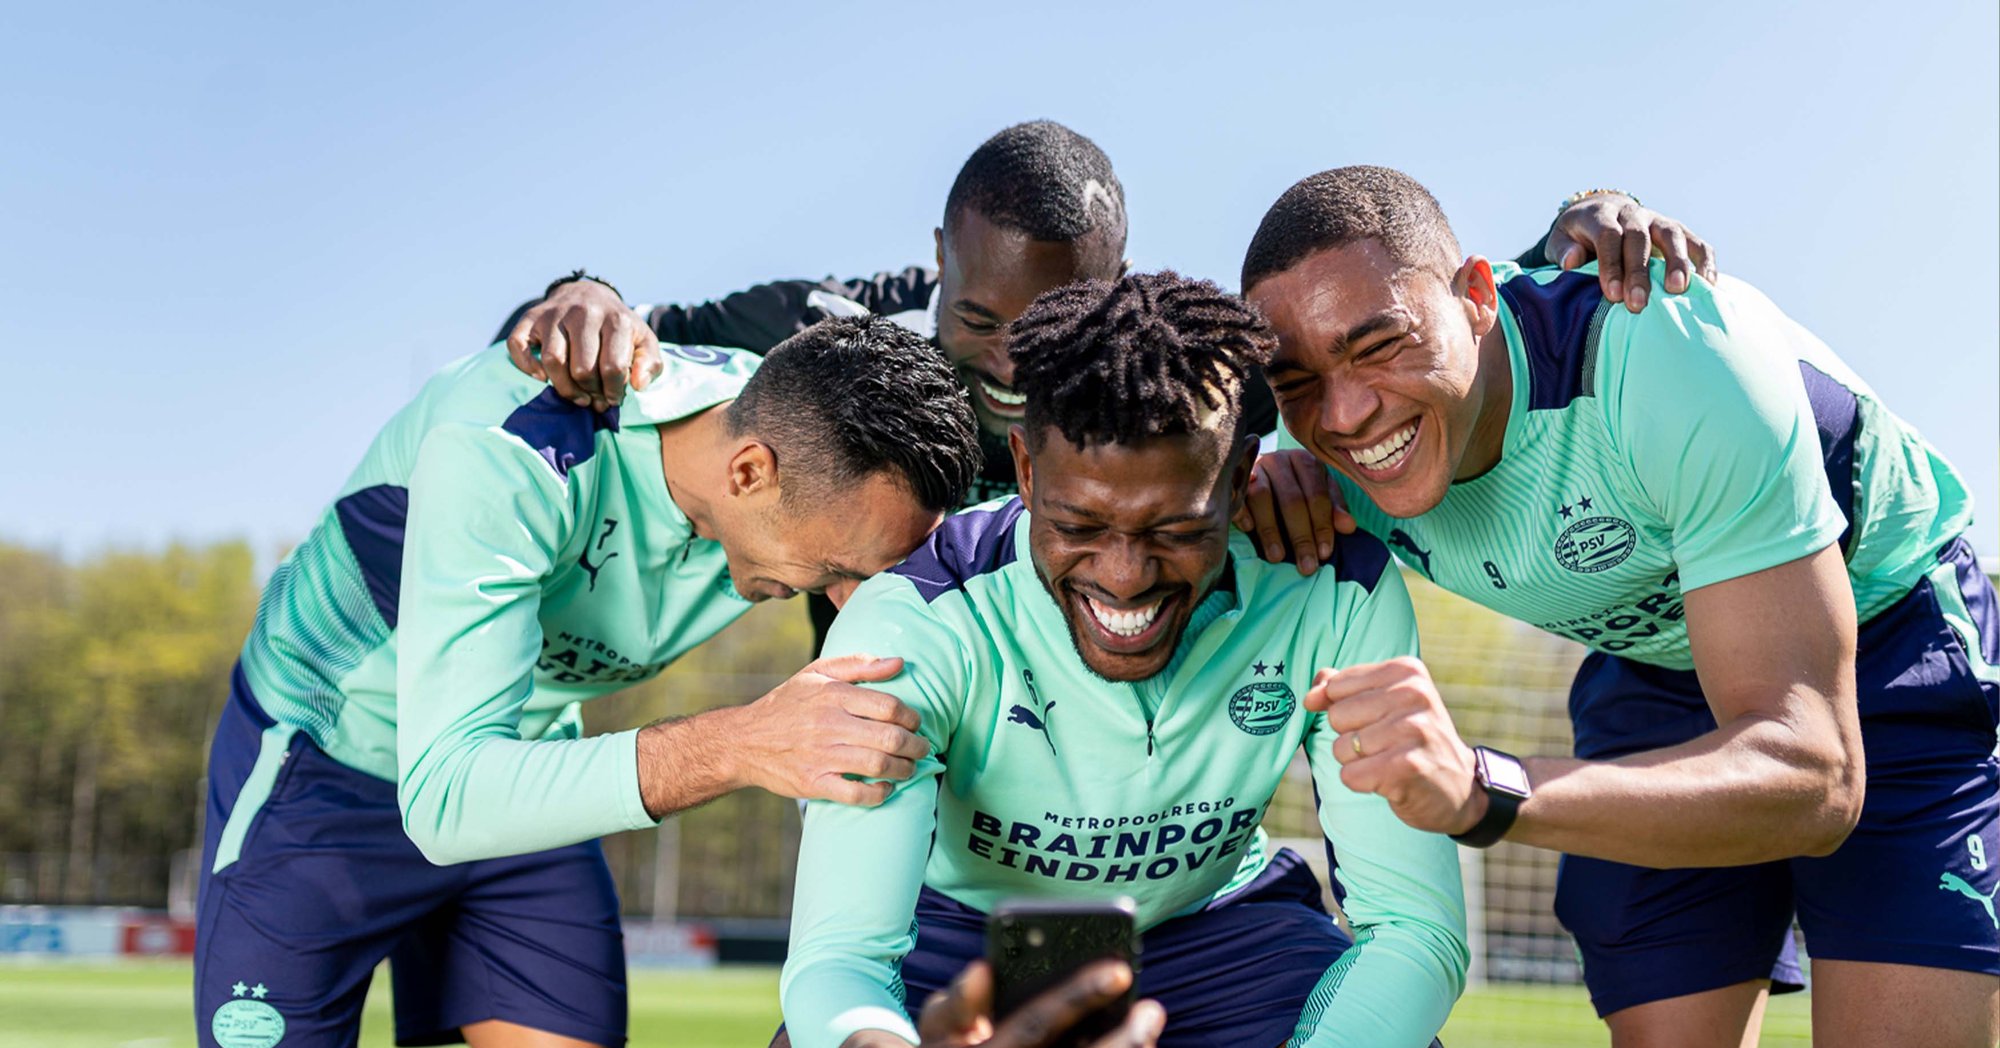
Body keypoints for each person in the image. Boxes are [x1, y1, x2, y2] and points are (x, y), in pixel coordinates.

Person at [1237, 165, 1998, 1048]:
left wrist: (1484, 787)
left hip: (1880, 639)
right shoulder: (1317, 470)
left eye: (1378, 345)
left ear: (1473, 297)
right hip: (1649, 658)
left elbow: (1814, 776)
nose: (1342, 414)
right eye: (1295, 383)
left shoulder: (1665, 350)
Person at [726, 271, 1500, 1048]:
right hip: (962, 922)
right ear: (1022, 468)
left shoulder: (1335, 584)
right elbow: (839, 958)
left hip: (1210, 917)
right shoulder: (912, 621)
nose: (1125, 576)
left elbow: (1416, 926)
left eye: (1173, 526)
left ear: (1242, 478)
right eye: (1080, 523)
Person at [192, 317, 981, 1048]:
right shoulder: (510, 446)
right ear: (749, 472)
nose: (851, 597)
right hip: (324, 760)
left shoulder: (804, 430)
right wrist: (744, 742)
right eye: (838, 568)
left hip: (522, 751)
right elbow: (447, 798)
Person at [497, 120, 1714, 647]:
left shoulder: (1149, 356)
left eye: (1050, 325)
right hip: (888, 740)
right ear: (934, 265)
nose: (1015, 360)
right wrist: (576, 294)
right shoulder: (827, 329)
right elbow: (616, 335)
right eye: (978, 318)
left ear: (1117, 280)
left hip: (1090, 768)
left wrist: (1581, 223)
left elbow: (1397, 325)